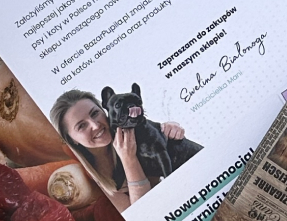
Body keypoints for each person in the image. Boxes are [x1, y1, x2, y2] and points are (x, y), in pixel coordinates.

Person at [50, 89, 200, 209]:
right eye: (82, 126)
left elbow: (157, 133)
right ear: (71, 140)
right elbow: (143, 211)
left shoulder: (128, 131)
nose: (95, 125)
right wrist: (129, 159)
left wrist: (170, 129)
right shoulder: (89, 176)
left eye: (95, 113)